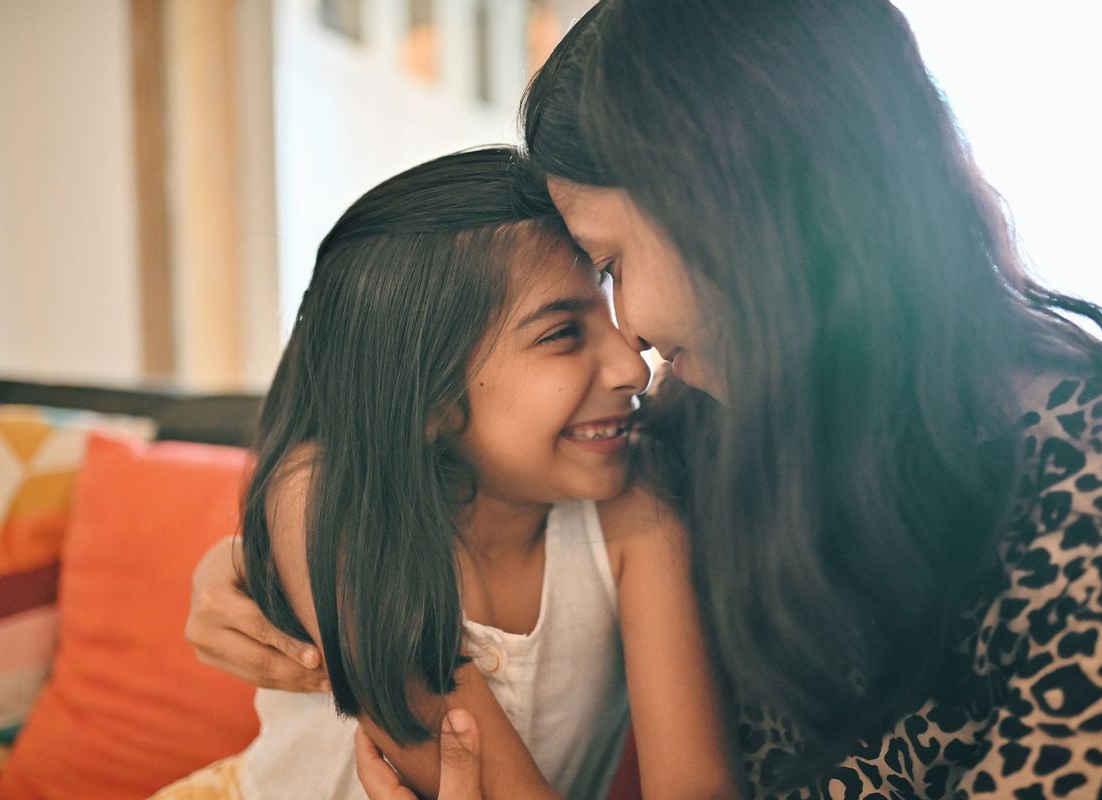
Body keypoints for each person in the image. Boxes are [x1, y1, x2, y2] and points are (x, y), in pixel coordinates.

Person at [191, 2, 1102, 798]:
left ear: (742, 217)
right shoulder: (704, 429)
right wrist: (256, 561)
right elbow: (376, 476)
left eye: (614, 265)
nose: (636, 344)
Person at [165, 147, 733, 800]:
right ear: (428, 400)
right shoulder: (322, 498)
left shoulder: (636, 506)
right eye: (562, 335)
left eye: (609, 313)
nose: (632, 368)